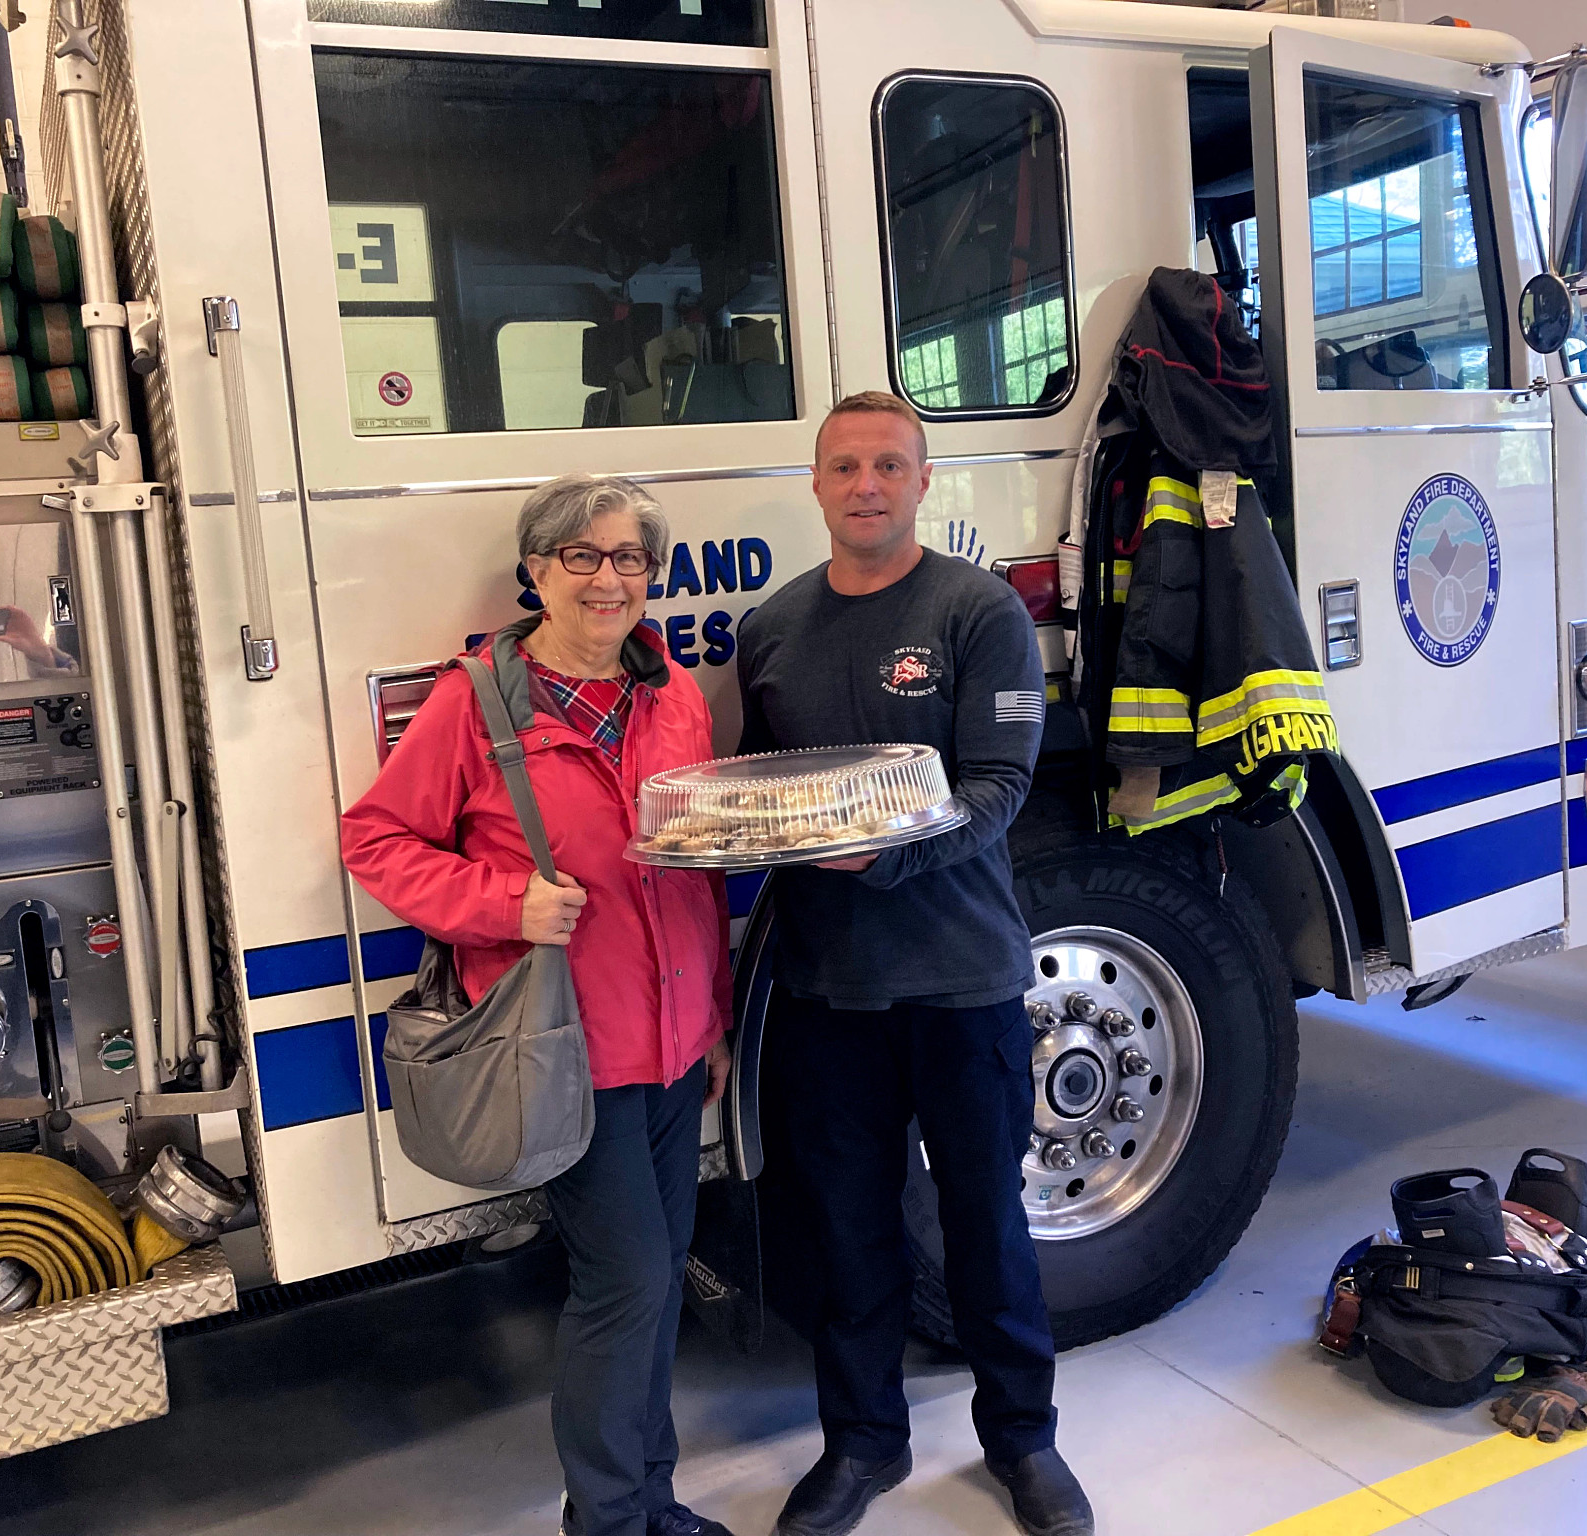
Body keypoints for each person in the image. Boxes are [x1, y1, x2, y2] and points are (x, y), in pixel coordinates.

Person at [341, 473, 736, 1536]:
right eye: (580, 557)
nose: (606, 580)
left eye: (627, 559)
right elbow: (372, 839)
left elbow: (695, 871)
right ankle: (606, 1519)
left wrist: (717, 1019)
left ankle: (650, 1501)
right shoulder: (477, 702)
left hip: (672, 1037)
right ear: (535, 573)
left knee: (650, 1290)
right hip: (564, 1049)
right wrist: (501, 903)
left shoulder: (673, 693)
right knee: (629, 1285)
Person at [738, 393, 1094, 1536]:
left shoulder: (973, 609)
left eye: (888, 464)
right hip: (824, 991)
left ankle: (1023, 1442)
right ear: (814, 485)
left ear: (921, 481)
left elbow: (999, 789)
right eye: (843, 465)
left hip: (960, 982)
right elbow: (757, 795)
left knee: (987, 1227)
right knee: (847, 1232)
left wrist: (872, 864)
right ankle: (862, 1446)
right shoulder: (772, 628)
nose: (865, 485)